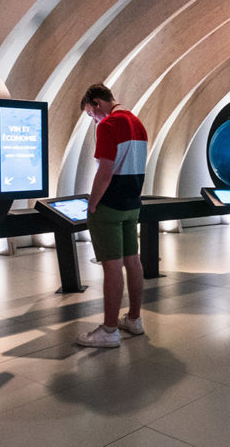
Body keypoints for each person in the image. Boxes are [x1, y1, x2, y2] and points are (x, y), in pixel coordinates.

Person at [76, 83, 148, 348]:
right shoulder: (138, 123)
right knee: (133, 260)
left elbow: (105, 172)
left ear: (97, 103)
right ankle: (134, 319)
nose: (93, 119)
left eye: (91, 114)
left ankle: (108, 330)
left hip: (110, 207)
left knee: (112, 265)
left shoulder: (107, 126)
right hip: (132, 203)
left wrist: (92, 204)